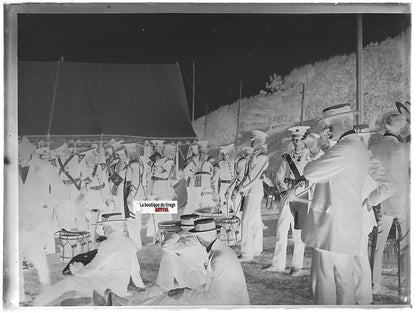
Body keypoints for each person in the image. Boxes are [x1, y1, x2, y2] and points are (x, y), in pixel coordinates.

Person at [301, 103, 370, 305]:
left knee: (324, 281)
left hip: (332, 228)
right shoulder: (357, 147)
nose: (326, 130)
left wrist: (315, 151)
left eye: (329, 126)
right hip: (346, 225)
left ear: (342, 122)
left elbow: (311, 172)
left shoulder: (344, 149)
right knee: (344, 280)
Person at [108, 218, 250, 305]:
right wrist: (184, 291)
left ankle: (123, 304)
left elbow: (213, 299)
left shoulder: (219, 258)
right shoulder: (220, 250)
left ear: (199, 237)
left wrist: (184, 294)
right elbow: (210, 289)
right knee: (166, 298)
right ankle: (124, 304)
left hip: (229, 306)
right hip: (222, 301)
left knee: (167, 300)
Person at [33, 213, 145, 306]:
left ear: (109, 227)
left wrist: (76, 271)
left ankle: (36, 303)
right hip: (120, 287)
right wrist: (142, 287)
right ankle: (83, 298)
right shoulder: (130, 242)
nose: (102, 228)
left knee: (69, 282)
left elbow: (94, 267)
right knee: (83, 284)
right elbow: (135, 271)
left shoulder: (108, 243)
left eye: (103, 226)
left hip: (106, 287)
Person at [353, 124, 396, 305]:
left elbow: (390, 186)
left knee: (359, 257)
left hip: (361, 215)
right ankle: (353, 296)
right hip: (348, 214)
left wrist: (371, 200)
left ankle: (363, 299)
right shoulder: (356, 157)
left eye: (361, 137)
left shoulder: (370, 159)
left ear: (366, 138)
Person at [369, 113, 410, 300]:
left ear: (385, 127)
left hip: (381, 200)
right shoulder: (405, 148)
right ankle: (405, 291)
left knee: (378, 245)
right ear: (401, 128)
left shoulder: (373, 148)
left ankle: (374, 284)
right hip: (403, 201)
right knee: (406, 246)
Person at [264, 126, 311, 276]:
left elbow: (311, 179)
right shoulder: (288, 157)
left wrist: (294, 192)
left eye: (299, 139)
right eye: (294, 139)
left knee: (298, 233)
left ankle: (296, 266)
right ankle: (278, 264)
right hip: (286, 196)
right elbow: (278, 176)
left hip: (301, 197)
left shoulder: (310, 156)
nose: (296, 141)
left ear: (305, 140)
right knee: (281, 230)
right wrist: (283, 190)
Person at [18, 137, 61, 302]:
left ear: (30, 150)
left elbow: (58, 188)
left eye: (21, 150)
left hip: (37, 220)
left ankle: (46, 290)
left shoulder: (44, 166)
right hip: (16, 220)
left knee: (37, 256)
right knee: (15, 258)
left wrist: (47, 207)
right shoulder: (8, 166)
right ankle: (19, 294)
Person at [233, 130, 269, 262]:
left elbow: (253, 176)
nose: (251, 142)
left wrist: (241, 187)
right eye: (251, 140)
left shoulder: (262, 157)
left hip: (254, 190)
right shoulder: (256, 155)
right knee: (254, 221)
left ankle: (246, 253)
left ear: (260, 141)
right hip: (251, 190)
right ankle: (256, 249)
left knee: (246, 221)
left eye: (254, 140)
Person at [217, 144, 235, 215]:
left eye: (227, 154)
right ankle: (225, 217)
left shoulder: (233, 163)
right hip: (223, 185)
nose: (226, 156)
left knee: (232, 203)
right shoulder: (219, 164)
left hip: (232, 185)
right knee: (224, 203)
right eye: (224, 154)